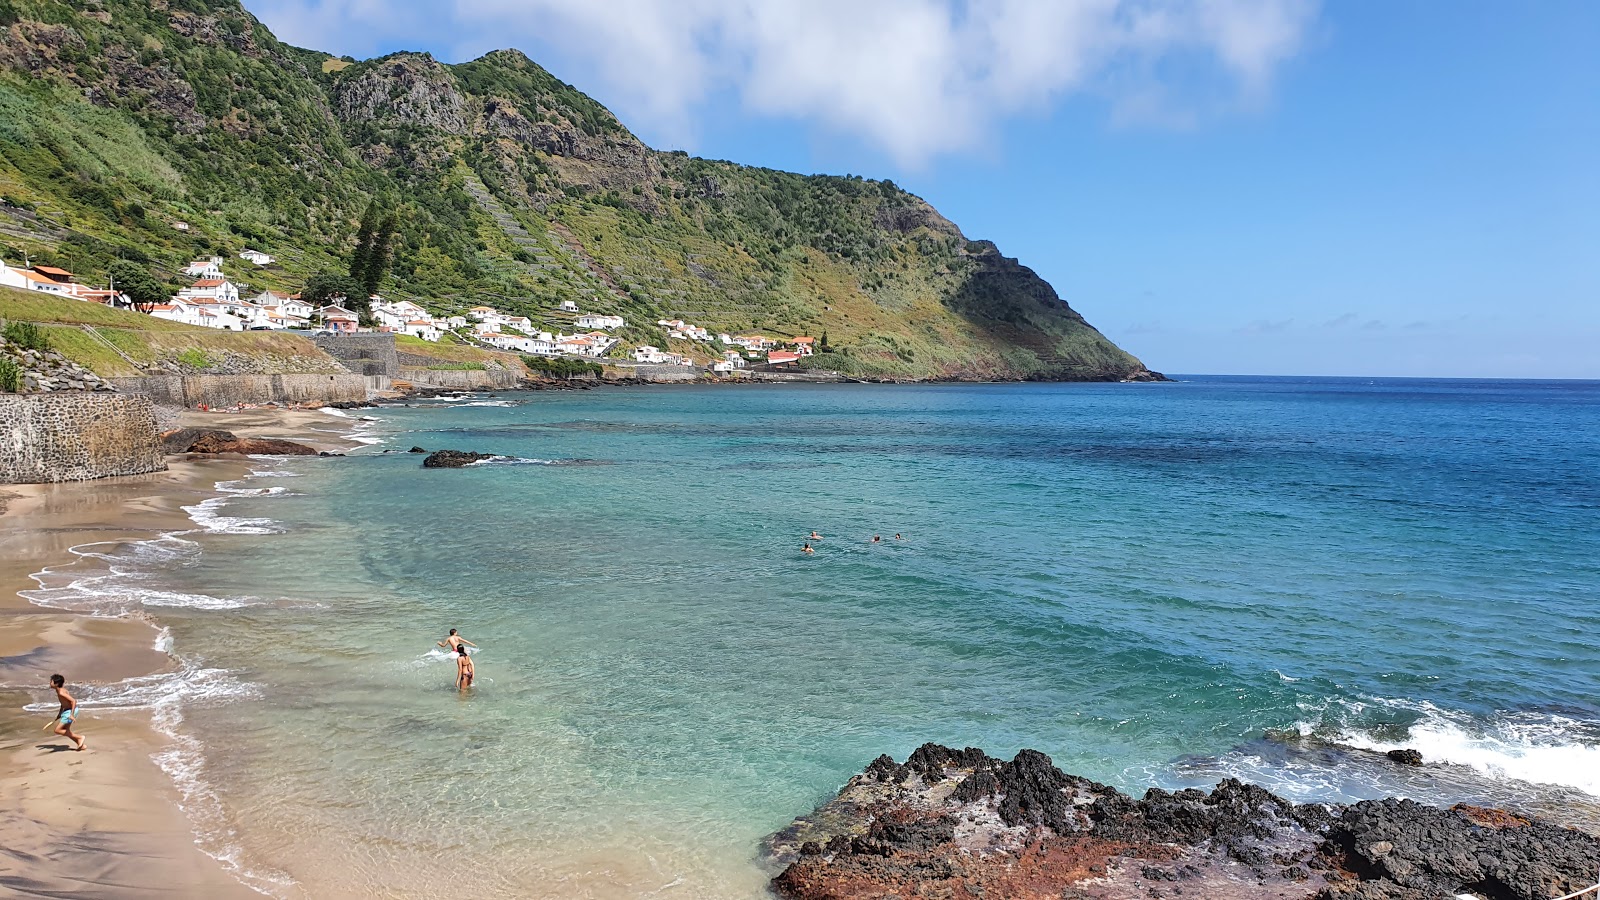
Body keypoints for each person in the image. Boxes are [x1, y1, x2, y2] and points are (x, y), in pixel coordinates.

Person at [49, 674, 86, 751]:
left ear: (56, 683)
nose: (50, 683)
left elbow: (73, 701)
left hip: (70, 712)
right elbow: (63, 703)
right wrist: (59, 714)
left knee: (58, 730)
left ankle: (80, 737)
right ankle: (81, 745)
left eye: (51, 681)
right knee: (66, 731)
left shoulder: (61, 692)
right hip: (67, 711)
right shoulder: (60, 690)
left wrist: (71, 715)